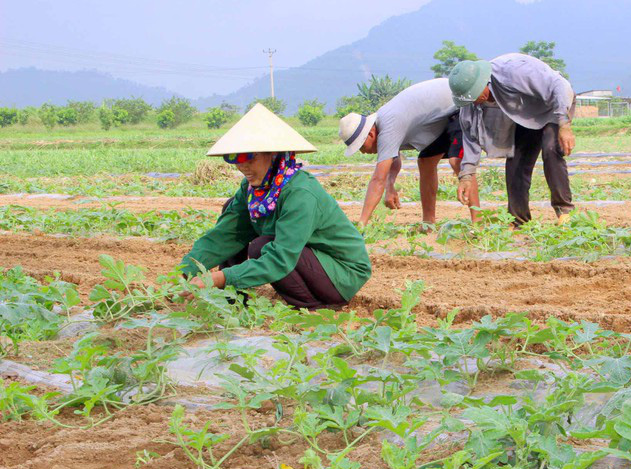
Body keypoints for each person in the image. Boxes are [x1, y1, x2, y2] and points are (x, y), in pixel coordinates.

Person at [179, 103, 371, 309]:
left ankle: (314, 307)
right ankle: (233, 299)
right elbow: (226, 234)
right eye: (233, 157)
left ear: (273, 154)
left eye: (248, 157)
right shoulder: (252, 188)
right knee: (232, 210)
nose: (241, 165)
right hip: (309, 258)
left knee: (262, 248)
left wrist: (218, 278)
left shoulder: (300, 194)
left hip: (342, 273)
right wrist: (186, 270)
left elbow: (281, 258)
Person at [449, 53, 576, 225]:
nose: (475, 101)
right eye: (470, 98)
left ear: (483, 82)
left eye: (476, 94)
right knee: (516, 162)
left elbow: (559, 85)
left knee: (551, 149)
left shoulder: (513, 71)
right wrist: (466, 175)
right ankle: (518, 220)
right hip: (525, 116)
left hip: (554, 106)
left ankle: (564, 212)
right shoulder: (471, 104)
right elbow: (471, 139)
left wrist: (564, 124)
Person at [339, 78, 480, 227]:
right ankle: (428, 223)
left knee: (457, 162)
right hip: (440, 118)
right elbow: (394, 158)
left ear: (370, 134)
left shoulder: (388, 125)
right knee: (425, 162)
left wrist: (362, 222)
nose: (362, 152)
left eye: (361, 146)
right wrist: (390, 185)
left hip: (460, 105)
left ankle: (478, 223)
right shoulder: (384, 125)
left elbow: (377, 179)